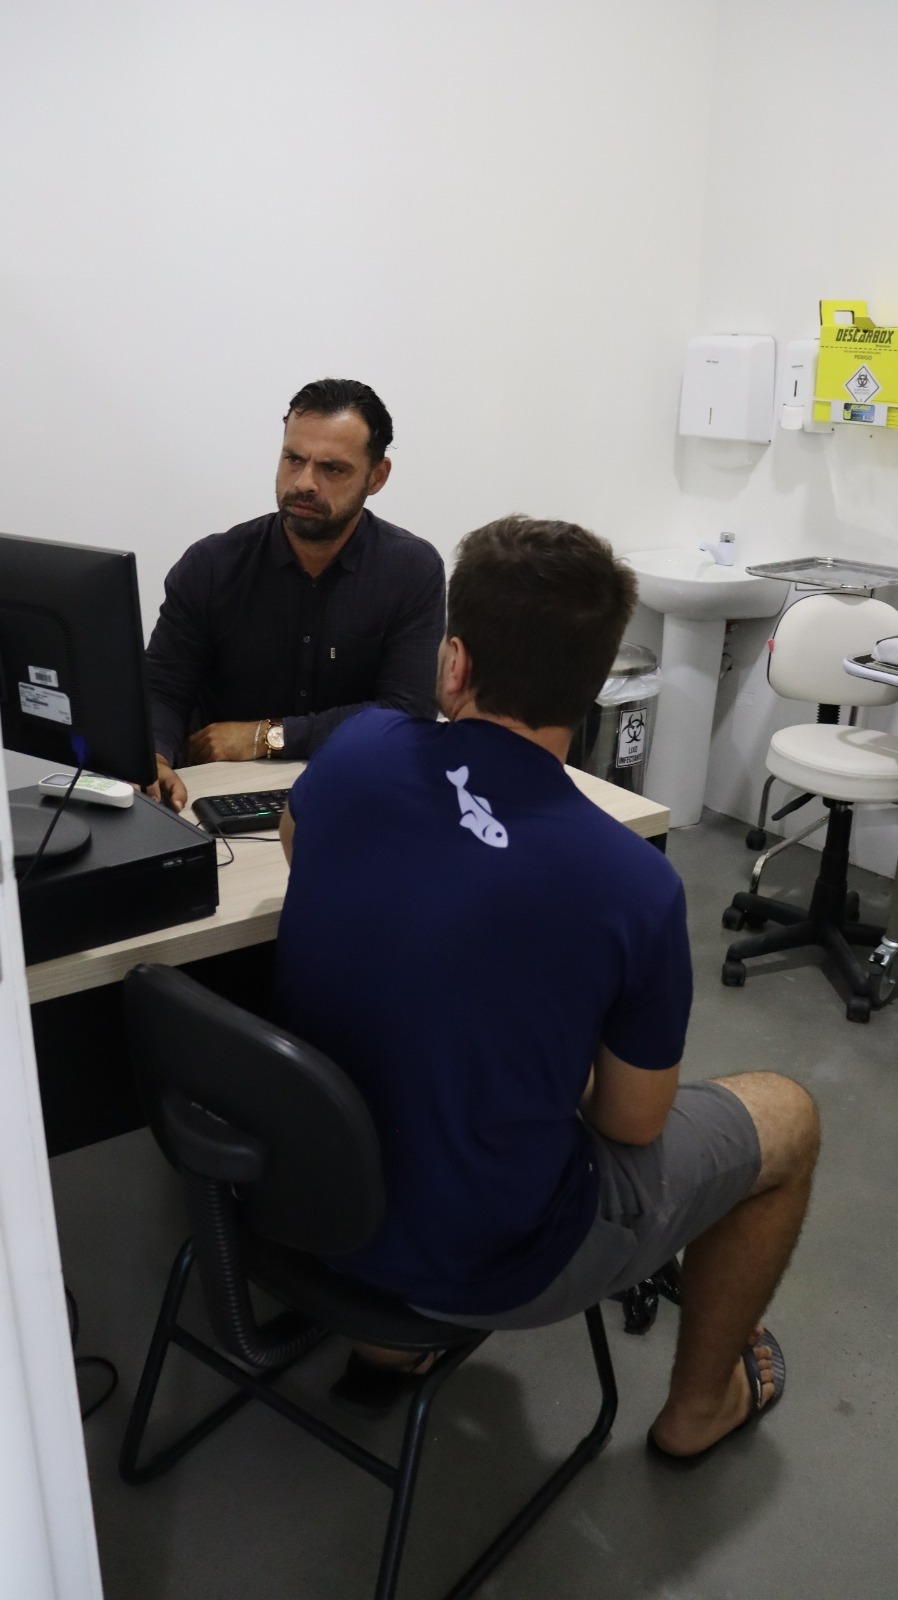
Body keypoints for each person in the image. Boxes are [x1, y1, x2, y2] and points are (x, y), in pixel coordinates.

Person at [275, 514, 820, 1459]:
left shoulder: (357, 750)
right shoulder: (633, 884)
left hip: (301, 1205)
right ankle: (702, 1408)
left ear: (455, 662)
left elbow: (297, 843)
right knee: (790, 1118)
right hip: (488, 1260)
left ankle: (384, 1341)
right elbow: (632, 1125)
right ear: (596, 683)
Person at [145, 378, 445, 810]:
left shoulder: (411, 570)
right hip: (217, 798)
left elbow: (407, 713)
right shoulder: (212, 565)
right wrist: (154, 757)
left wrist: (266, 736)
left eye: (332, 469)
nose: (305, 482)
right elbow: (163, 688)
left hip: (353, 794)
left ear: (377, 476)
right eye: (294, 459)